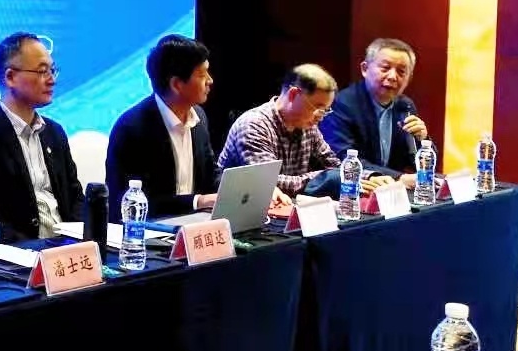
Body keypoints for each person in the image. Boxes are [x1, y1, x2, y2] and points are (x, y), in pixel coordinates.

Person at [0, 32, 82, 241]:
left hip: (66, 247)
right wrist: (31, 249)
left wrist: (79, 239)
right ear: (10, 77)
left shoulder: (54, 133)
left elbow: (76, 199)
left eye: (52, 70)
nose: (51, 80)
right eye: (42, 71)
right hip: (17, 252)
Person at [106, 34, 223, 219]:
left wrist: (240, 192)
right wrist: (197, 201)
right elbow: (130, 201)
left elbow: (210, 175)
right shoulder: (132, 128)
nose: (210, 80)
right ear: (176, 84)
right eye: (202, 75)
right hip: (153, 229)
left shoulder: (199, 117)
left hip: (195, 223)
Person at [218, 64, 349, 201]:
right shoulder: (253, 125)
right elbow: (267, 184)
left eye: (325, 111)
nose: (320, 117)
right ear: (293, 94)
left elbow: (335, 165)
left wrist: (356, 176)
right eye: (317, 108)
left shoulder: (308, 126)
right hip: (241, 206)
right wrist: (324, 178)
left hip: (285, 206)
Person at [320, 38, 429, 177]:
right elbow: (343, 158)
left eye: (401, 71)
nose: (392, 77)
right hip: (355, 186)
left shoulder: (405, 106)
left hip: (392, 187)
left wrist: (423, 139)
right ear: (365, 69)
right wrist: (398, 178)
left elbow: (421, 164)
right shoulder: (342, 104)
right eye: (385, 68)